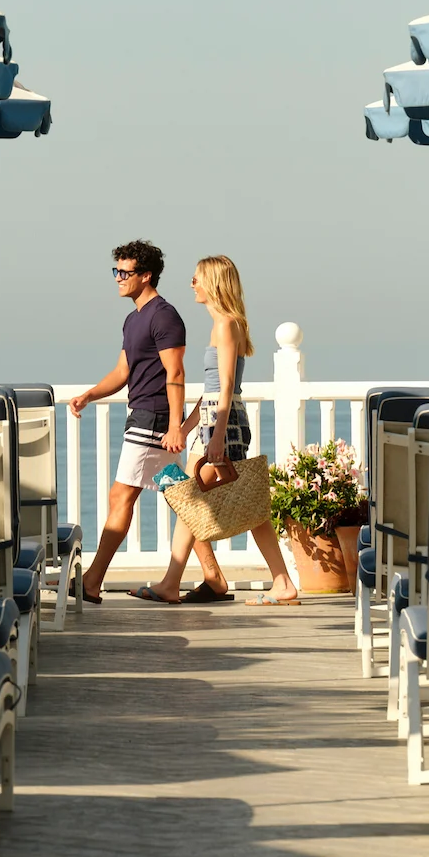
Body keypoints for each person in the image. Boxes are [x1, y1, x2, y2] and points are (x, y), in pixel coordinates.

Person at [136, 255, 299, 607]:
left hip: (223, 422)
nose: (191, 284)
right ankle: (172, 581)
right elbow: (213, 391)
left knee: (215, 501)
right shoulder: (226, 323)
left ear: (212, 282)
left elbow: (225, 388)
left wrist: (217, 436)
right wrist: (183, 427)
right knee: (194, 499)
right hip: (215, 418)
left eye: (196, 278)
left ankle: (281, 582)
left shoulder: (226, 324)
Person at [70, 240, 190, 603]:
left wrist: (174, 426)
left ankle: (91, 582)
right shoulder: (133, 318)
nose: (119, 278)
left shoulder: (164, 315)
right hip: (142, 414)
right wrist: (90, 395)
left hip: (153, 418)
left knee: (120, 496)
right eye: (116, 271)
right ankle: (214, 578)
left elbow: (176, 372)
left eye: (126, 272)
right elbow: (123, 371)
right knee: (183, 498)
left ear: (146, 275)